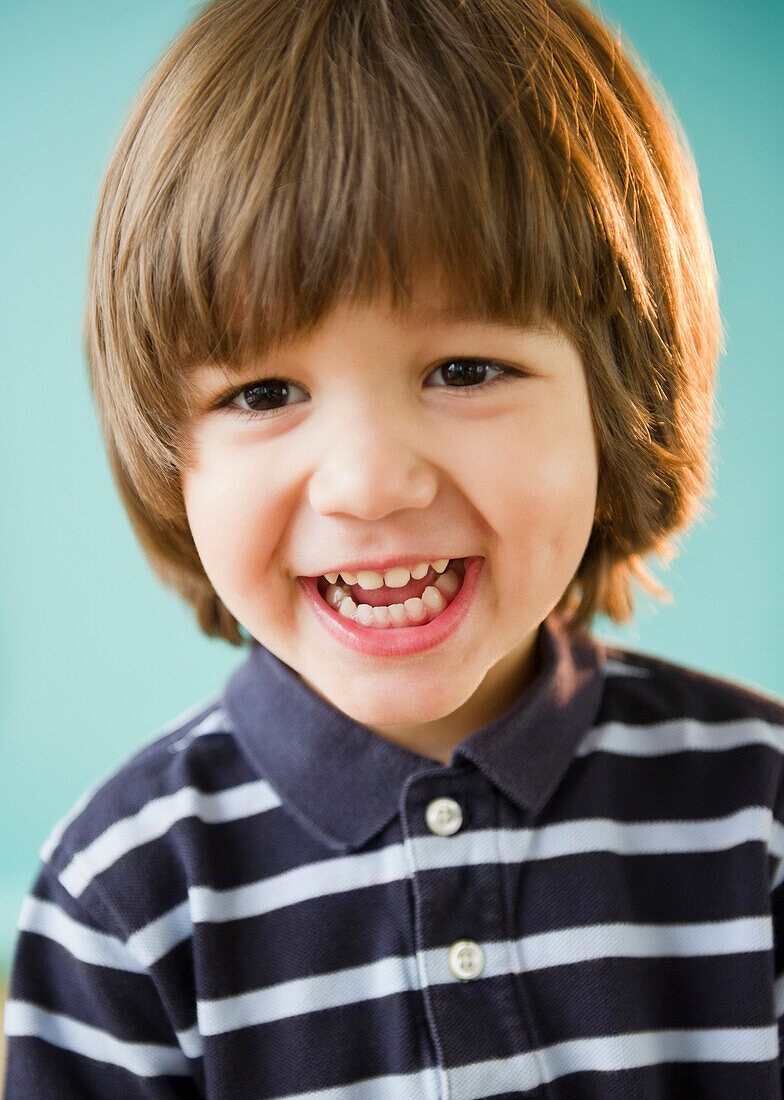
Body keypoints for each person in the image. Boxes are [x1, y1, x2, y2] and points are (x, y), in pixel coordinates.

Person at [4, 0, 784, 1095]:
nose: (369, 483)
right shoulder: (121, 900)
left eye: (463, 368)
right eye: (265, 392)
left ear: (615, 398)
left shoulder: (757, 812)